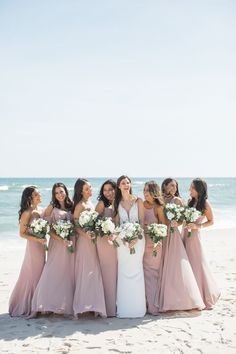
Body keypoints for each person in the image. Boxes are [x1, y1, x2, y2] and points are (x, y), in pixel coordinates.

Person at [183, 178, 220, 309]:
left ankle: (202, 294)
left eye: (192, 188)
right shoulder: (189, 202)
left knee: (196, 263)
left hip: (194, 237)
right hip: (185, 235)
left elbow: (211, 221)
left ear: (199, 189)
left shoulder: (205, 203)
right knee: (187, 264)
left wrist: (197, 226)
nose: (189, 190)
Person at [9, 186, 46, 317]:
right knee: (33, 274)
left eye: (39, 193)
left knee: (42, 273)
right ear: (30, 197)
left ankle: (39, 303)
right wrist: (36, 239)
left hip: (42, 246)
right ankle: (30, 306)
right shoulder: (27, 212)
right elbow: (22, 233)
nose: (39, 195)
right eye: (36, 194)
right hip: (33, 247)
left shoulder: (41, 210)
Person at [114, 175, 146, 318]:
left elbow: (142, 222)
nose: (126, 185)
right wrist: (124, 239)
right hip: (122, 243)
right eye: (123, 183)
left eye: (128, 182)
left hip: (138, 240)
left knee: (137, 270)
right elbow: (116, 225)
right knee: (123, 271)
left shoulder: (138, 201)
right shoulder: (117, 203)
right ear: (119, 186)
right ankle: (125, 308)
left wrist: (136, 238)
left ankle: (138, 308)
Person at [95, 179, 117, 317]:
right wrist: (105, 230)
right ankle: (107, 307)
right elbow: (94, 223)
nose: (107, 192)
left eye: (110, 189)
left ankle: (116, 304)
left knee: (117, 272)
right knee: (107, 272)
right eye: (105, 190)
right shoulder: (101, 204)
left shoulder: (120, 202)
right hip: (104, 241)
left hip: (117, 241)